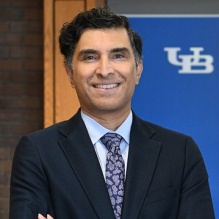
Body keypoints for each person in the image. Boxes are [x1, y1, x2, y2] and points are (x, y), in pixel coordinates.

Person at [9, 6, 215, 219]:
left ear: (138, 69)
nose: (105, 70)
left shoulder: (180, 153)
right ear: (70, 73)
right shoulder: (39, 152)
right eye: (90, 57)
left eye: (118, 55)